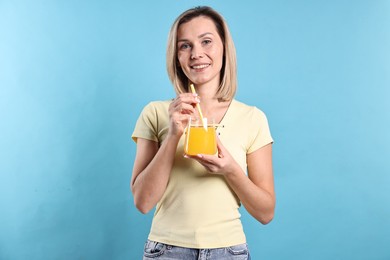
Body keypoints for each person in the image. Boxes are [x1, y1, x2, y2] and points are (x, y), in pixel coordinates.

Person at [131, 6, 275, 260]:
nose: (197, 54)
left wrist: (230, 169)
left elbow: (266, 213)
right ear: (176, 56)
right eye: (185, 46)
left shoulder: (253, 118)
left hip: (229, 252)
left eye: (206, 41)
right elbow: (143, 202)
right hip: (166, 250)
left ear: (223, 48)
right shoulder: (156, 113)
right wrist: (174, 133)